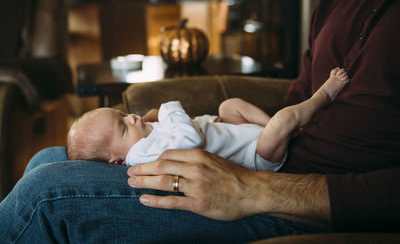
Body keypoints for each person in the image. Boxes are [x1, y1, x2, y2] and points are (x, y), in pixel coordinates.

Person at [0, 0, 399, 243]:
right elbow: (299, 92)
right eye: (124, 127)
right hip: (277, 147)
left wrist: (253, 187)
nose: (134, 119)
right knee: (45, 159)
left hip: (302, 194)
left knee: (43, 196)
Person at [66, 68, 349, 172]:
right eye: (122, 126)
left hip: (232, 131)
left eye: (122, 115)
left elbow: (200, 125)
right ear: (116, 160)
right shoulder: (140, 155)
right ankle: (324, 96)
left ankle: (281, 127)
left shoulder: (142, 139)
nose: (130, 117)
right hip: (254, 155)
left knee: (230, 105)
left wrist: (210, 118)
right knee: (281, 122)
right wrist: (168, 109)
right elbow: (191, 138)